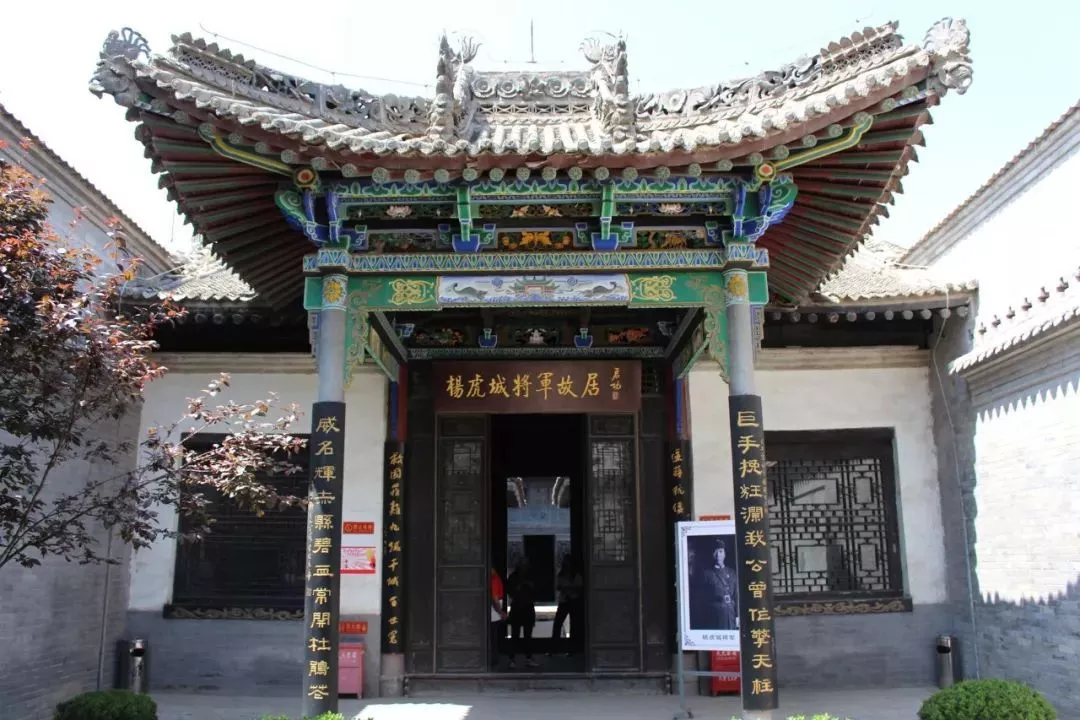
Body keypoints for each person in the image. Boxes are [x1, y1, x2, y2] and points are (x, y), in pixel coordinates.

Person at [505, 557, 539, 669]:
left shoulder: (531, 576)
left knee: (528, 635)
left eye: (526, 564)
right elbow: (509, 591)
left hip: (528, 607)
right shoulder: (513, 577)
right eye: (522, 564)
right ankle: (511, 659)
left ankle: (528, 658)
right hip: (517, 608)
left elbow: (536, 591)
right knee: (514, 635)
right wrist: (518, 587)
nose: (524, 567)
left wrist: (530, 586)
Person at [702, 539, 739, 630]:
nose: (718, 555)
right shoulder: (707, 574)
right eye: (716, 552)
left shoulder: (732, 573)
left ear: (725, 554)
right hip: (716, 616)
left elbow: (736, 596)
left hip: (731, 613)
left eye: (721, 551)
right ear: (712, 554)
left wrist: (738, 616)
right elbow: (703, 599)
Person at [550, 554, 583, 654]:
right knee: (557, 624)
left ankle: (572, 649)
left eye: (567, 562)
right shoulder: (561, 575)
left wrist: (568, 588)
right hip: (564, 601)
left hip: (573, 601)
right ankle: (554, 648)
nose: (566, 564)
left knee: (574, 626)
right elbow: (558, 587)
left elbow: (579, 587)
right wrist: (569, 588)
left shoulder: (576, 575)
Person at [489, 567, 507, 668]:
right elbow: (495, 598)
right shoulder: (495, 579)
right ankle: (493, 659)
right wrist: (501, 612)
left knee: (492, 637)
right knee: (493, 637)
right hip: (494, 614)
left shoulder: (492, 579)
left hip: (493, 613)